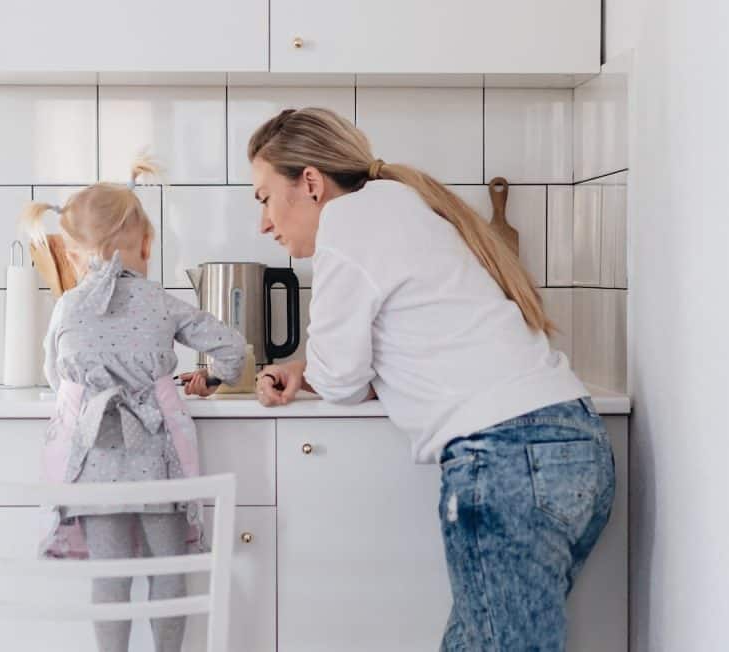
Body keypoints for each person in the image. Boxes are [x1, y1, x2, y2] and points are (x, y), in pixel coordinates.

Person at [248, 108, 616, 651]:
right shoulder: (403, 202)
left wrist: (311, 372)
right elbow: (410, 348)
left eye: (263, 198)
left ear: (309, 182)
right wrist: (308, 372)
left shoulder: (348, 221)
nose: (263, 222)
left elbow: (343, 378)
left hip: (506, 461)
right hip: (568, 446)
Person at [25, 160, 246, 652]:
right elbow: (233, 350)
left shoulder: (66, 307)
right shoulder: (160, 301)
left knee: (111, 580)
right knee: (169, 576)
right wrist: (208, 377)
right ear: (142, 242)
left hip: (95, 464)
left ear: (78, 251)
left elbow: (54, 378)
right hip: (158, 464)